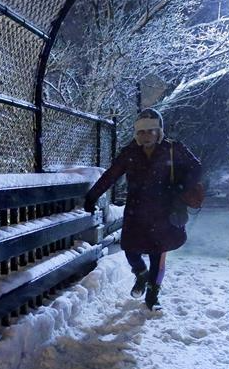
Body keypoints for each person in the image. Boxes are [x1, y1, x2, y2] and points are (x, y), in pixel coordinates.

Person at [84, 108, 202, 310]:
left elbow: (196, 167)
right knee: (130, 248)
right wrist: (92, 195)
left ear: (159, 131)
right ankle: (140, 273)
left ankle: (153, 295)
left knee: (157, 252)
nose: (145, 135)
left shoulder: (173, 149)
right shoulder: (130, 153)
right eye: (141, 132)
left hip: (164, 210)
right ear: (136, 134)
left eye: (150, 131)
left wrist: (180, 186)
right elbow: (111, 175)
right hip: (136, 210)